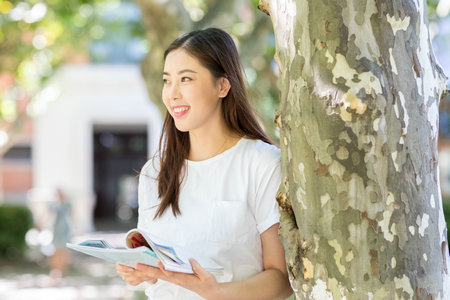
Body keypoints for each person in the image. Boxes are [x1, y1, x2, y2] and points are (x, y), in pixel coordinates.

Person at [116, 28, 292, 300]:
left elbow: (282, 280)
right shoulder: (155, 172)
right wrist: (143, 272)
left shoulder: (262, 163)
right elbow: (155, 267)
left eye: (185, 79)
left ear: (222, 85)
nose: (172, 94)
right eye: (167, 80)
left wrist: (218, 293)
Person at [49, 188, 73, 280]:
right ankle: (55, 271)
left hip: (65, 229)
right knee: (55, 251)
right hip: (56, 229)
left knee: (64, 251)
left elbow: (72, 215)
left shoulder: (67, 204)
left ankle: (63, 272)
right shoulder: (53, 205)